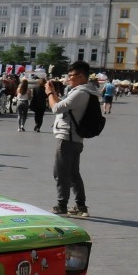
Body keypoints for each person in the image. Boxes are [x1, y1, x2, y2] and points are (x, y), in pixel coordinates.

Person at [45, 60, 101, 217]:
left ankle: (61, 204)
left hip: (67, 137)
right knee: (73, 173)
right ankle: (80, 206)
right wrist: (55, 94)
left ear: (81, 76)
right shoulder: (88, 91)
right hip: (75, 138)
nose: (68, 78)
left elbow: (56, 108)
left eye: (71, 75)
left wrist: (50, 93)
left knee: (61, 172)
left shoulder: (80, 92)